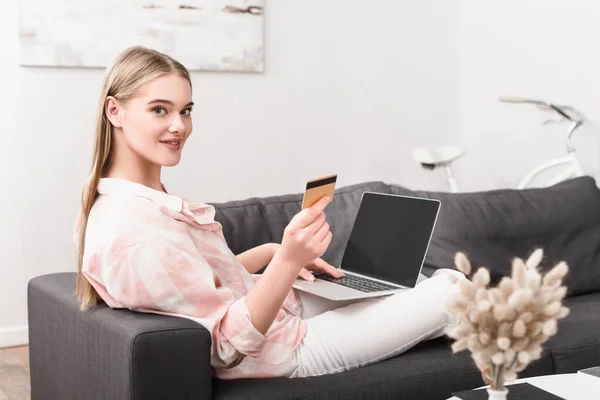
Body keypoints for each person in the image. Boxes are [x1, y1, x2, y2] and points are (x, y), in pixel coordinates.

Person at [74, 46, 463, 380]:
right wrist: (289, 260)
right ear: (115, 111)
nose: (180, 126)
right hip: (278, 351)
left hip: (281, 313)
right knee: (453, 291)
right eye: (160, 110)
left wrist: (270, 253)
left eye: (186, 110)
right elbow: (225, 347)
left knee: (409, 284)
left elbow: (194, 286)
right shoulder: (134, 230)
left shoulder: (140, 202)